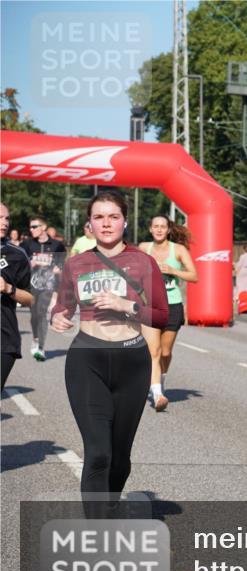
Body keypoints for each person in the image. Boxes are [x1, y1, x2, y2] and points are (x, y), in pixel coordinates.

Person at [50, 191, 168, 518]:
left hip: (133, 362)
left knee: (119, 458)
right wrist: (58, 316)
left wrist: (126, 305)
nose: (106, 223)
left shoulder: (143, 262)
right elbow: (63, 306)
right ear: (89, 224)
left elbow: (164, 316)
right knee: (98, 453)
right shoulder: (76, 264)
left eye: (113, 216)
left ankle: (112, 504)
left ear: (125, 221)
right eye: (99, 217)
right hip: (87, 360)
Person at [139, 215, 198, 411]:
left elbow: (194, 276)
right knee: (153, 351)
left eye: (162, 226)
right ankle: (157, 394)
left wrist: (173, 270)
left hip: (172, 305)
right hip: (150, 305)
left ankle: (160, 379)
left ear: (168, 230)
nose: (158, 229)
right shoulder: (143, 248)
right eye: (155, 226)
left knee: (165, 352)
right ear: (150, 229)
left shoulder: (178, 250)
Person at [22, 216, 66, 361]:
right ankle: (35, 338)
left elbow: (62, 265)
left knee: (41, 314)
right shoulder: (27, 244)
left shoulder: (57, 245)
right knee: (35, 316)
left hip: (48, 285)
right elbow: (20, 264)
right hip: (32, 285)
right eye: (30, 227)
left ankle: (40, 346)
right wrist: (30, 263)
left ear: (43, 227)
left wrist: (58, 270)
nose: (31, 230)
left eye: (34, 227)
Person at [0, 202, 34, 390]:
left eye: (6, 218)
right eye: (0, 218)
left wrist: (8, 289)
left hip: (3, 340)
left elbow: (32, 298)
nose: (4, 223)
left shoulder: (17, 255)